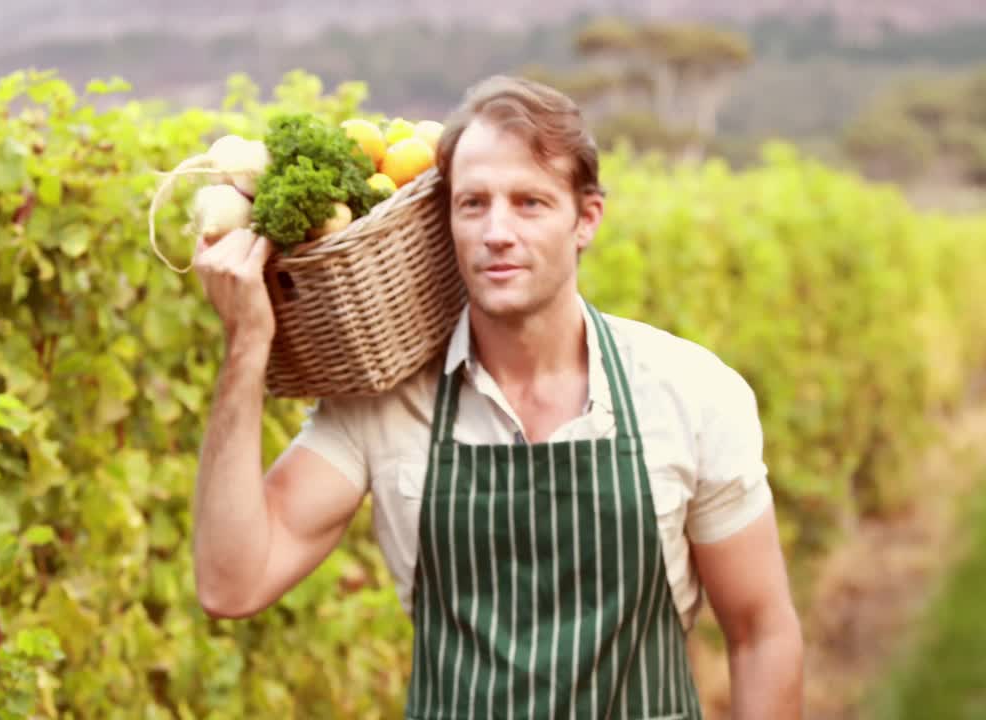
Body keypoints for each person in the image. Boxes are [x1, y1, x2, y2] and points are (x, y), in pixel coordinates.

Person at [189, 75, 804, 719]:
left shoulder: (691, 393)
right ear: (445, 219)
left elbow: (761, 631)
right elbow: (232, 582)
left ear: (586, 218)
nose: (497, 231)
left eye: (530, 203)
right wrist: (246, 346)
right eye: (474, 204)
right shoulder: (382, 405)